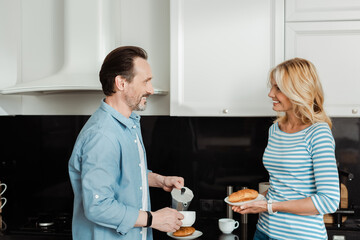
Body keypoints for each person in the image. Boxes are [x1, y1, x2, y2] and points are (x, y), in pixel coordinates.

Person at [68, 46, 184, 240]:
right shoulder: (102, 136)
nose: (151, 90)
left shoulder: (128, 124)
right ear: (121, 83)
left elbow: (123, 174)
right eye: (146, 81)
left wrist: (159, 180)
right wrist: (152, 219)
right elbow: (98, 207)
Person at [232, 58, 340, 240]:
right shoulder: (275, 129)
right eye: (272, 87)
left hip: (300, 236)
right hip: (264, 231)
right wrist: (257, 201)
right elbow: (281, 186)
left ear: (299, 91)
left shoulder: (318, 133)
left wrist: (269, 206)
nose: (270, 94)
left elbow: (328, 201)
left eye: (278, 88)